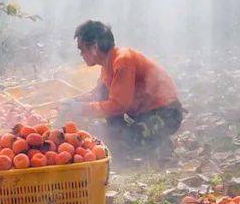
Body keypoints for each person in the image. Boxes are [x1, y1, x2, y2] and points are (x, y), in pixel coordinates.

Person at [70, 20, 184, 154]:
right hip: (144, 114)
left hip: (165, 114)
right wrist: (74, 103)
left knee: (119, 144)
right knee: (106, 136)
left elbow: (118, 105)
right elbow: (99, 94)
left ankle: (159, 146)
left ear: (94, 47)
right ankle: (145, 141)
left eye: (82, 49)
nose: (81, 54)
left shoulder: (123, 61)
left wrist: (82, 108)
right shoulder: (108, 65)